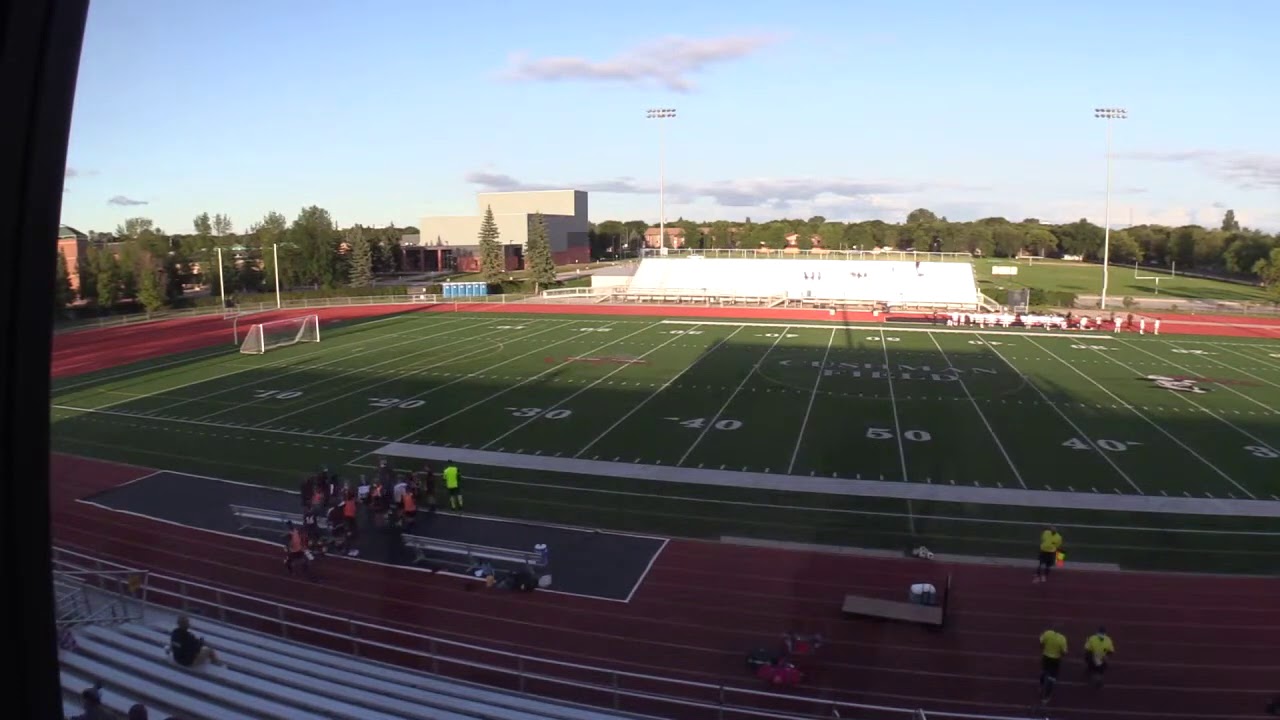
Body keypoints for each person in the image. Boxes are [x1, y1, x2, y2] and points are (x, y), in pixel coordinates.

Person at [1038, 624, 1068, 704]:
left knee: (1044, 671)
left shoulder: (1047, 633)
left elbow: (1041, 642)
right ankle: (1046, 697)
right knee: (1052, 678)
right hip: (1055, 659)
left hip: (1046, 656)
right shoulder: (1062, 639)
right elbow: (1064, 652)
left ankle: (1041, 686)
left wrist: (1043, 649)